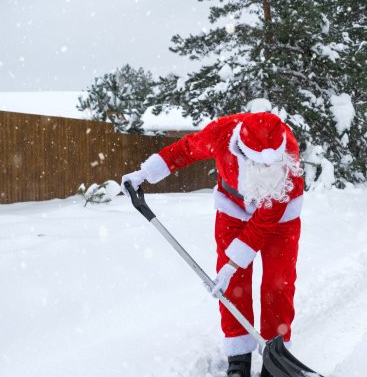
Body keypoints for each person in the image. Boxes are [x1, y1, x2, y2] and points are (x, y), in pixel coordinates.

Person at [121, 111, 304, 377]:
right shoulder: (222, 134)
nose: (267, 169)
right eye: (261, 165)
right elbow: (184, 150)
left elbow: (264, 224)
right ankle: (238, 355)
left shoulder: (287, 156)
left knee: (278, 283)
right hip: (233, 209)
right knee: (233, 286)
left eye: (270, 165)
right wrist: (144, 174)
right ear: (244, 152)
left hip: (280, 216)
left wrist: (232, 262)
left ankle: (275, 355)